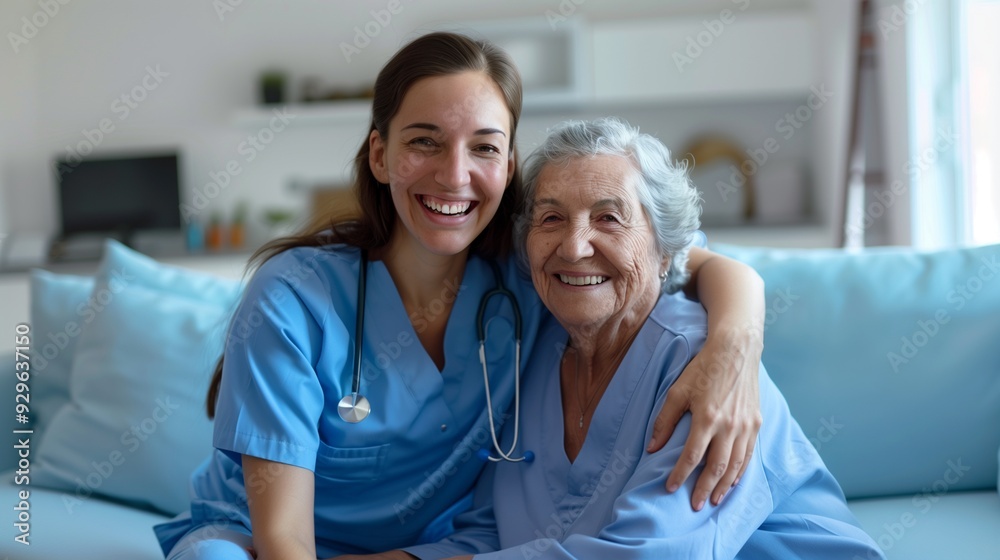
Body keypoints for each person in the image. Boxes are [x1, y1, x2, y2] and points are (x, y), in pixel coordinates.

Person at [154, 34, 767, 560]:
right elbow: (284, 540)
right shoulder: (293, 297)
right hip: (257, 540)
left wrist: (735, 347)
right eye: (424, 141)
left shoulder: (540, 270)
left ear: (507, 165)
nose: (454, 175)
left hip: (434, 547)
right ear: (380, 155)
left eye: (483, 147)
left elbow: (688, 261)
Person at [397, 118, 884, 559]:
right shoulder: (534, 355)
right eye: (550, 219)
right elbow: (492, 536)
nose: (574, 245)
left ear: (668, 250)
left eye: (609, 218)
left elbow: (648, 555)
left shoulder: (703, 367)